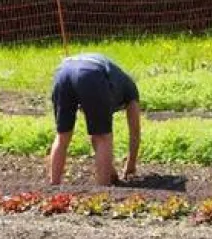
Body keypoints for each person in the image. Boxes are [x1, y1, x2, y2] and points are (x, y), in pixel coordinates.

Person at [47, 52, 142, 186]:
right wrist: (131, 165)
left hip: (63, 71)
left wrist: (111, 169)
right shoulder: (131, 90)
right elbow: (135, 132)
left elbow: (93, 132)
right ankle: (103, 191)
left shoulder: (116, 80)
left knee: (63, 135)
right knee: (103, 137)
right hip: (91, 74)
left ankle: (54, 186)